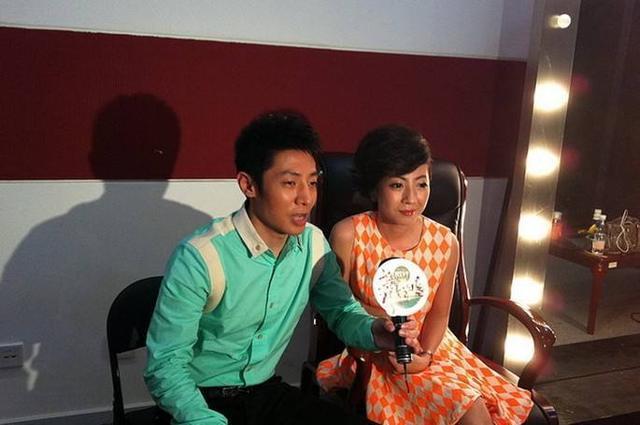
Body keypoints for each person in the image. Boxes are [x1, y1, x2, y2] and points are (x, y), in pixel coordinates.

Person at [144, 111, 421, 425]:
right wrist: (201, 419)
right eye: (290, 183)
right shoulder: (201, 256)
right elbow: (165, 365)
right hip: (200, 400)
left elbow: (342, 311)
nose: (306, 198)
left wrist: (376, 331)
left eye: (312, 183)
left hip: (266, 393)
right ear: (249, 184)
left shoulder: (313, 244)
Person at [316, 125, 534, 425]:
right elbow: (338, 307)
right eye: (397, 185)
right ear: (374, 188)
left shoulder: (445, 242)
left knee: (479, 408)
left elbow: (439, 314)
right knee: (469, 411)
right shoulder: (349, 234)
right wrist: (384, 329)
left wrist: (426, 356)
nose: (411, 198)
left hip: (435, 348)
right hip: (375, 351)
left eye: (421, 184)